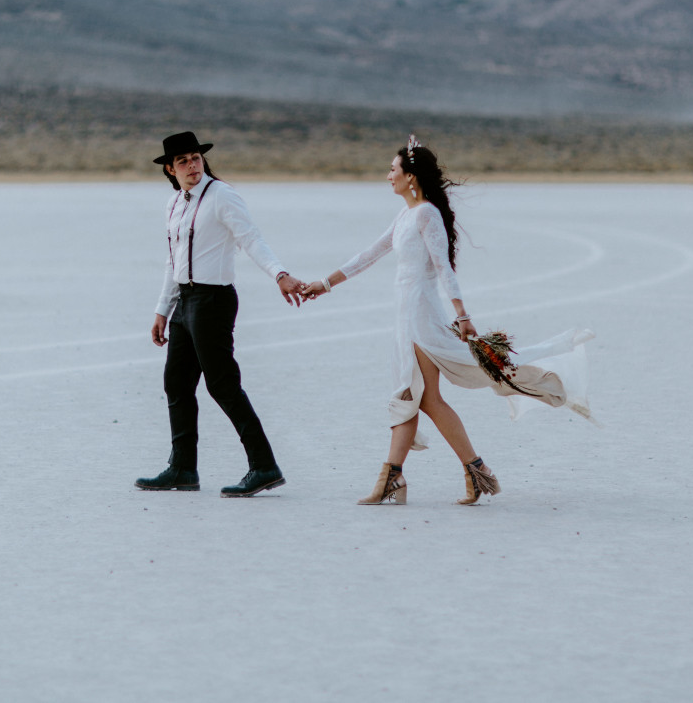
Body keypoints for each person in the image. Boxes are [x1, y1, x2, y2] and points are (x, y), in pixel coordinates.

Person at [301, 136, 595, 505]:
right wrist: (324, 284)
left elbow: (444, 268)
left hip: (422, 316)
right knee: (411, 396)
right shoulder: (406, 214)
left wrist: (462, 315)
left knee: (424, 398)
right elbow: (368, 254)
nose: (387, 175)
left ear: (411, 177)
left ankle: (464, 472)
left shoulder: (426, 214)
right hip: (404, 317)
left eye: (392, 170)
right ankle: (410, 477)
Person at [137, 131, 306, 497]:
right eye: (182, 161)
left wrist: (279, 274)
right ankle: (182, 468)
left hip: (213, 301)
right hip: (184, 302)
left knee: (222, 385)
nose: (192, 165)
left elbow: (251, 239)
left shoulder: (221, 196)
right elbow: (173, 262)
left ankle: (264, 466)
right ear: (170, 169)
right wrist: (162, 310)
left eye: (195, 158)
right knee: (177, 385)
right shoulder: (174, 205)